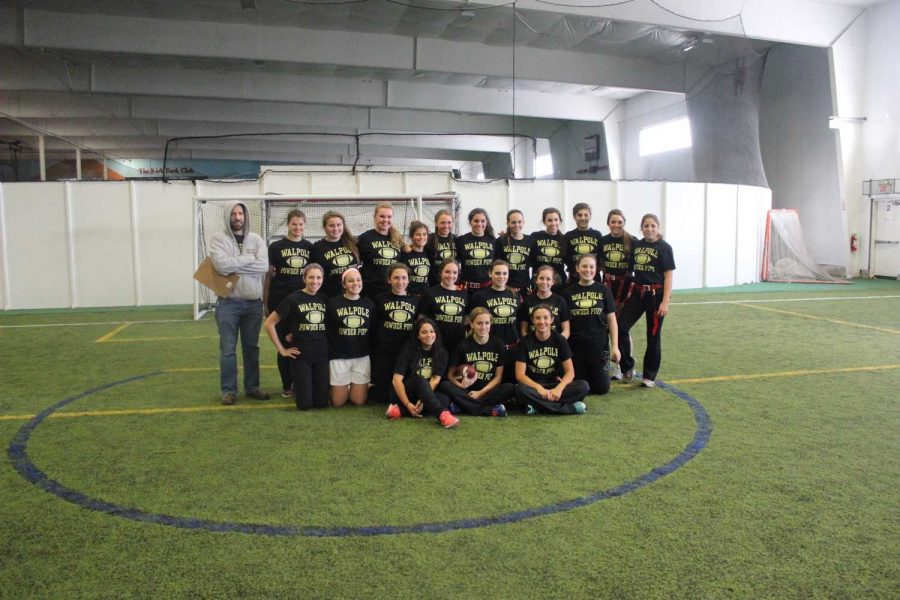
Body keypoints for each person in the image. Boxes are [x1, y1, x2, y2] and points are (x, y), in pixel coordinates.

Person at [209, 201, 270, 405]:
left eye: (240, 213)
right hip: (228, 304)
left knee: (251, 348)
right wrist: (247, 259)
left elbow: (262, 267)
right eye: (234, 214)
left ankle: (252, 388)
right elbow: (221, 266)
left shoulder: (256, 239)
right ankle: (229, 391)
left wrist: (234, 265)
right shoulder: (218, 239)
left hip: (253, 304)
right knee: (228, 349)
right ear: (228, 216)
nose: (237, 217)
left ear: (245, 216)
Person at [618, 214, 675, 388]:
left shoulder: (665, 248)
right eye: (646, 226)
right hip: (638, 294)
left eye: (653, 226)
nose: (649, 229)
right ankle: (627, 365)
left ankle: (649, 376)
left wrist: (665, 302)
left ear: (658, 228)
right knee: (620, 327)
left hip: (655, 296)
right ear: (641, 228)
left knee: (653, 336)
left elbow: (668, 276)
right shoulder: (638, 245)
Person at [263, 263, 329, 410]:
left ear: (323, 279)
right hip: (301, 356)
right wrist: (282, 350)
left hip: (322, 355)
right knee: (304, 405)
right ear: (304, 278)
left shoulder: (324, 299)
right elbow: (269, 324)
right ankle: (297, 384)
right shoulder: (293, 299)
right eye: (311, 277)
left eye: (318, 277)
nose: (315, 281)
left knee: (322, 404)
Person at [264, 209, 313, 398]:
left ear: (305, 225)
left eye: (301, 224)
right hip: (281, 301)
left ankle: (301, 381)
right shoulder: (276, 247)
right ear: (288, 225)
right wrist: (265, 301)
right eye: (294, 224)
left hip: (303, 303)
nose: (297, 228)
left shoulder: (310, 247)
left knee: (300, 341)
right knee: (285, 343)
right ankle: (287, 385)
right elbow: (268, 276)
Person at [439, 307, 515, 417]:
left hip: (487, 390)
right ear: (472, 324)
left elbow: (498, 378)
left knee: (510, 387)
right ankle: (489, 410)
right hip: (467, 391)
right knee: (444, 385)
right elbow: (450, 374)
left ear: (490, 324)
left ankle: (463, 405)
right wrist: (461, 386)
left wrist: (481, 393)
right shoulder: (463, 345)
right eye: (479, 323)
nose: (483, 327)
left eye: (487, 323)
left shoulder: (498, 344)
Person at [514, 305, 589, 415]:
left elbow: (570, 372)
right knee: (519, 390)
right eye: (538, 318)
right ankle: (570, 408)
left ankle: (537, 406)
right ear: (532, 320)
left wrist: (559, 388)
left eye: (545, 318)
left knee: (583, 386)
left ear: (552, 319)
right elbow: (519, 375)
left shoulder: (560, 340)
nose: (542, 321)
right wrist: (539, 388)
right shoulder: (525, 342)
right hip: (534, 387)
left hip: (554, 384)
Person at [385, 318, 459, 428]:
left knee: (444, 399)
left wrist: (423, 399)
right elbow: (396, 381)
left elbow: (435, 380)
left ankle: (399, 411)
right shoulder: (408, 350)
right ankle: (441, 414)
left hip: (423, 394)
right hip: (403, 392)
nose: (429, 335)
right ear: (418, 335)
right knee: (420, 380)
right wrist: (407, 403)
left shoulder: (442, 352)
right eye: (424, 332)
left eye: (431, 331)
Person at [563, 254, 619, 395]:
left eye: (591, 266)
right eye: (584, 266)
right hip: (576, 346)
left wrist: (615, 347)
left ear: (597, 269)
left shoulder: (604, 290)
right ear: (577, 268)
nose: (588, 270)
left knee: (602, 389)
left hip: (599, 346)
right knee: (582, 386)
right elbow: (565, 323)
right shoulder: (568, 292)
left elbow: (612, 319)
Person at [370, 263, 420, 404]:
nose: (400, 282)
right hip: (385, 349)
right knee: (381, 397)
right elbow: (374, 324)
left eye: (404, 278)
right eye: (396, 278)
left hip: (405, 351)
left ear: (408, 280)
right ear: (389, 280)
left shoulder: (415, 300)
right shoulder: (380, 298)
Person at [326, 268, 375, 407]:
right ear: (344, 284)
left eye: (358, 280)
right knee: (338, 403)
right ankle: (338, 388)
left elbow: (373, 330)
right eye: (351, 280)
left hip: (361, 356)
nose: (355, 283)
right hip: (339, 356)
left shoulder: (369, 304)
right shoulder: (333, 303)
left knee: (358, 401)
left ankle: (357, 387)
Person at [599, 209, 637, 380]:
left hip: (626, 286)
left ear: (624, 222)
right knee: (607, 327)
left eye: (619, 222)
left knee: (622, 328)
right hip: (608, 286)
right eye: (613, 222)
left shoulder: (632, 241)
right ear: (608, 223)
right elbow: (597, 262)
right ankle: (613, 366)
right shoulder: (603, 241)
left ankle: (626, 364)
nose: (616, 225)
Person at [468, 260, 521, 351]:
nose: (501, 277)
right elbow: (472, 322)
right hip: (490, 347)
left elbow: (519, 321)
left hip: (513, 347)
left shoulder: (515, 295)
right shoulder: (479, 296)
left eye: (505, 273)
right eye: (497, 273)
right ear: (490, 273)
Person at [418, 259, 468, 353]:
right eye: (447, 272)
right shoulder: (430, 293)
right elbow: (422, 319)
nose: (451, 276)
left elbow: (467, 318)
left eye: (454, 272)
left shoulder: (463, 293)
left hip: (457, 341)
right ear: (441, 272)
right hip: (435, 341)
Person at [358, 203, 403, 299]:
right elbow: (355, 263)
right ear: (375, 217)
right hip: (371, 292)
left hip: (392, 291)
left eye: (389, 217)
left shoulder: (398, 238)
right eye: (382, 216)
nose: (385, 220)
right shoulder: (364, 238)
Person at [311, 211, 360, 298]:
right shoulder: (317, 248)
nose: (336, 228)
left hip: (353, 295)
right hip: (331, 296)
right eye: (331, 226)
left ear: (343, 226)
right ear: (325, 228)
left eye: (338, 225)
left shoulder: (353, 243)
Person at [518, 264, 570, 338]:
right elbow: (523, 330)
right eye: (541, 278)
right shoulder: (527, 302)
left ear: (553, 282)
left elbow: (566, 330)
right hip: (533, 346)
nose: (544, 282)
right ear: (536, 280)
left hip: (555, 346)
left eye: (548, 279)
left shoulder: (560, 301)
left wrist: (559, 344)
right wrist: (529, 345)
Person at [494, 209, 535, 294]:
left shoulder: (530, 240)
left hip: (524, 288)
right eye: (513, 222)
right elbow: (496, 264)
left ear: (524, 222)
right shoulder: (501, 241)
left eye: (519, 222)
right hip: (505, 286)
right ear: (508, 223)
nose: (517, 225)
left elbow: (534, 264)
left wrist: (532, 284)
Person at [455, 208, 496, 290]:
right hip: (466, 288)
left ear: (486, 222)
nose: (479, 224)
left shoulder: (493, 241)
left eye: (483, 221)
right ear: (470, 222)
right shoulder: (461, 240)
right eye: (476, 221)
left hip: (487, 287)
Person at [564, 202, 604, 283]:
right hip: (575, 278)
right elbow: (566, 257)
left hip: (594, 277)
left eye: (586, 215)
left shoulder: (597, 235)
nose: (583, 218)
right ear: (574, 217)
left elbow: (601, 256)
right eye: (579, 215)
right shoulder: (569, 236)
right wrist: (574, 269)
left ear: (590, 216)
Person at [531, 207, 568, 292]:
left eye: (556, 220)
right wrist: (508, 236)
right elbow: (522, 242)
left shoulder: (565, 239)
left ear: (560, 221)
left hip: (558, 283)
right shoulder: (535, 236)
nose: (553, 223)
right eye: (550, 220)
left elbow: (569, 260)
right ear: (544, 222)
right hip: (539, 282)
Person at [400, 220, 432, 296]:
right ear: (411, 236)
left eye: (424, 234)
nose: (422, 237)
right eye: (418, 234)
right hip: (410, 295)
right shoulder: (405, 253)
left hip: (424, 296)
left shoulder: (429, 253)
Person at [427, 208, 456, 284]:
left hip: (451, 282)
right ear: (436, 223)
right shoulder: (428, 239)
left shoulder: (457, 240)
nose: (446, 226)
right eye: (442, 222)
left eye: (449, 222)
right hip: (433, 284)